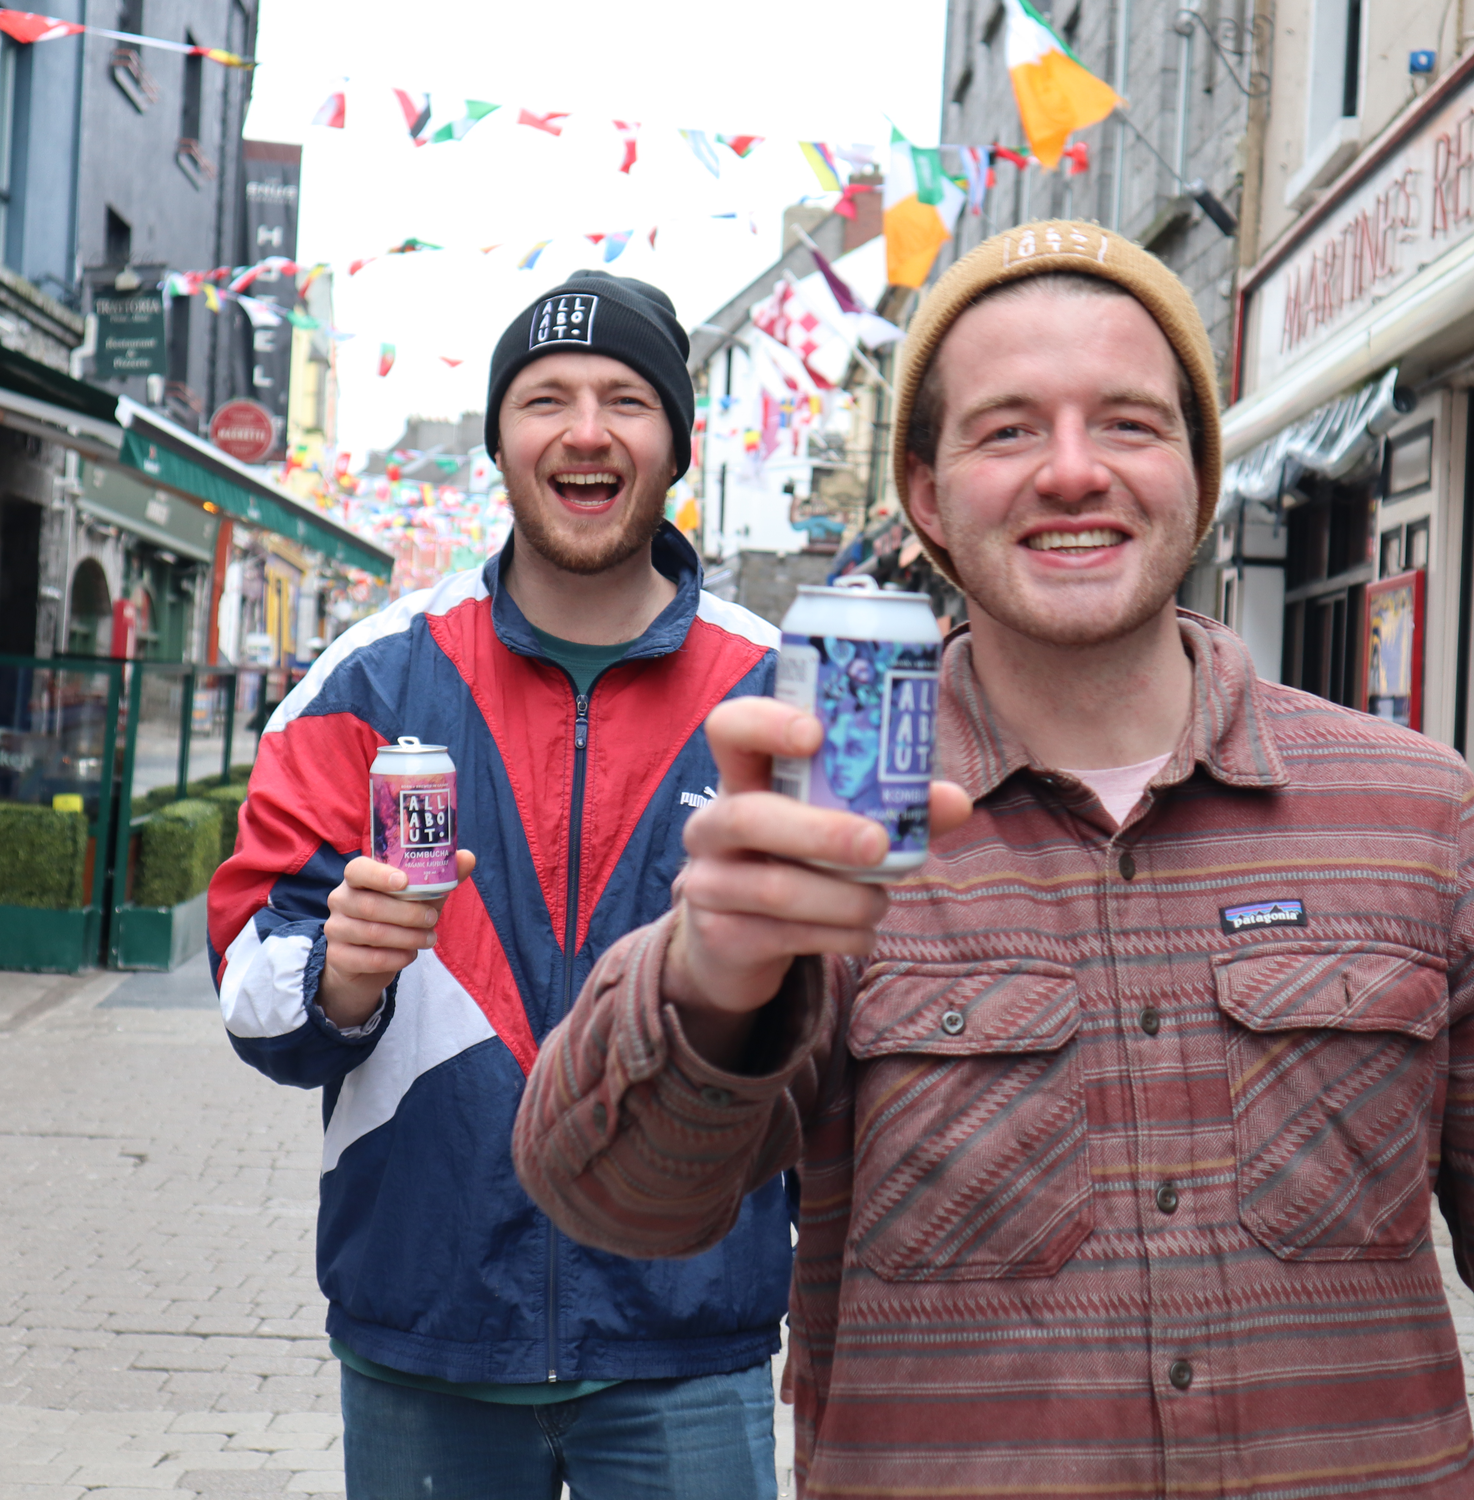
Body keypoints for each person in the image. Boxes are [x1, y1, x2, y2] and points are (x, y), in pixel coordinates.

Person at [514, 222, 1474, 1499]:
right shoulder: (821, 829)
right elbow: (613, 1201)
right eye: (1009, 429)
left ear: (1198, 468)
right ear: (925, 495)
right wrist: (709, 980)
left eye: (1128, 423)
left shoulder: (1418, 811)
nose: (1072, 472)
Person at [208, 270, 794, 1500]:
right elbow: (252, 980)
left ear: (676, 442)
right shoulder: (370, 679)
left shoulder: (778, 692)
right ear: (499, 442)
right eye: (545, 399)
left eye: (625, 400)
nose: (585, 432)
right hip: (428, 1328)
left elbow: (860, 1004)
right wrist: (341, 979)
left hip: (689, 1338)